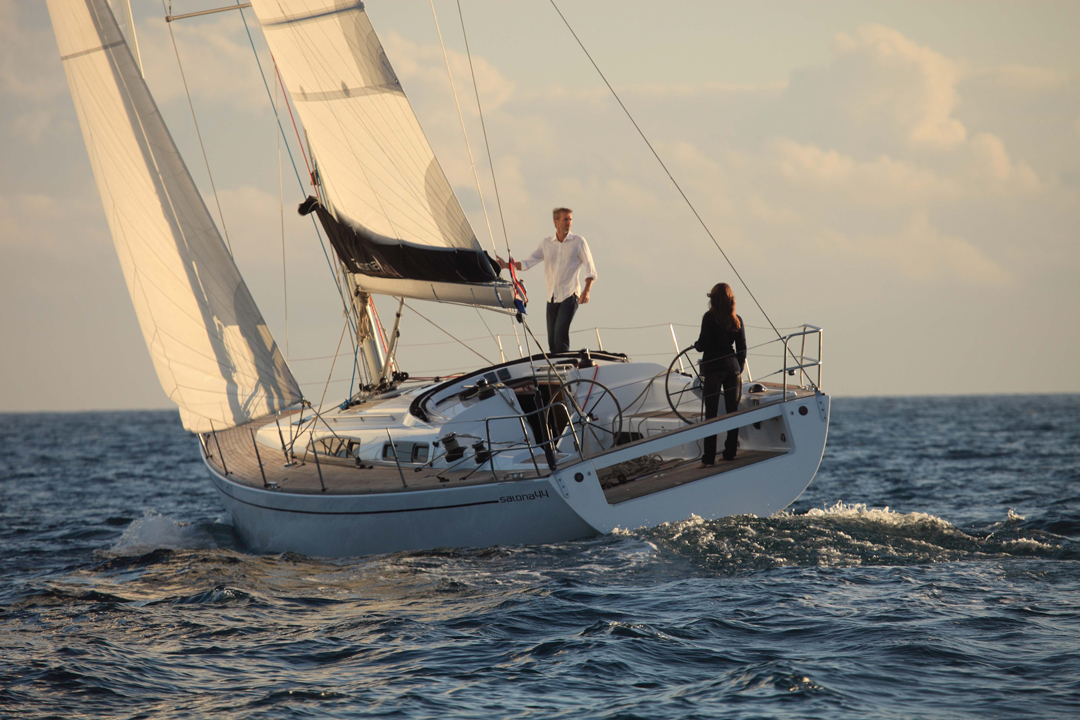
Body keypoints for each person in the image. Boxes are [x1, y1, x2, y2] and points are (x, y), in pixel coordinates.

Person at [497, 207, 597, 354]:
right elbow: (527, 262)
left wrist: (587, 290)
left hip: (570, 295)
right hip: (551, 298)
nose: (569, 222)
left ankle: (563, 364)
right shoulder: (546, 243)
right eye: (565, 219)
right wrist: (506, 265)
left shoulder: (579, 242)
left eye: (570, 219)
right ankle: (557, 364)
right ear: (556, 222)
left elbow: (590, 268)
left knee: (560, 337)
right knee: (552, 341)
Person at [694, 283, 747, 465]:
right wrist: (738, 368)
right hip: (732, 367)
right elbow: (742, 348)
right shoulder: (737, 319)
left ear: (713, 299)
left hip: (714, 367)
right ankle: (730, 452)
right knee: (732, 411)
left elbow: (703, 344)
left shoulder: (709, 317)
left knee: (711, 413)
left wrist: (696, 345)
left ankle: (709, 458)